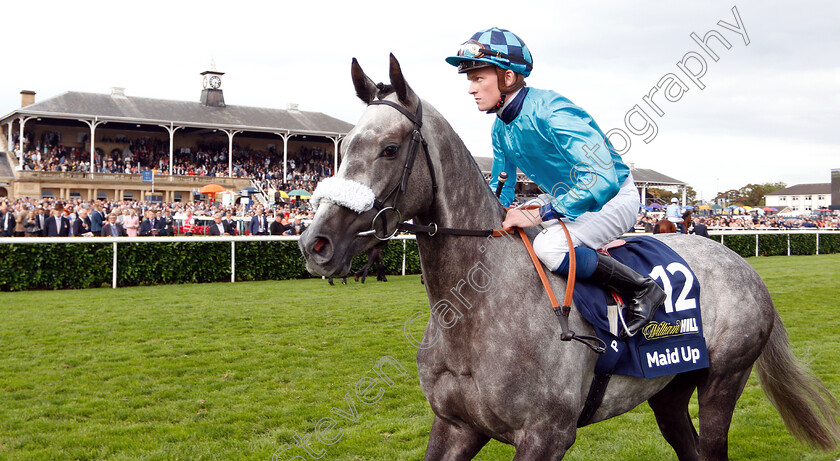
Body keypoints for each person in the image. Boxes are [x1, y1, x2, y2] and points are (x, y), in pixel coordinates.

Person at [446, 27, 665, 336]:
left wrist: (540, 214)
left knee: (549, 247)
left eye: (478, 78)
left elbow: (601, 178)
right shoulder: (500, 129)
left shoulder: (553, 111)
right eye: (470, 79)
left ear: (508, 78)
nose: (471, 89)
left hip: (614, 196)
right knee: (516, 230)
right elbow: (502, 189)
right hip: (565, 196)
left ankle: (642, 289)